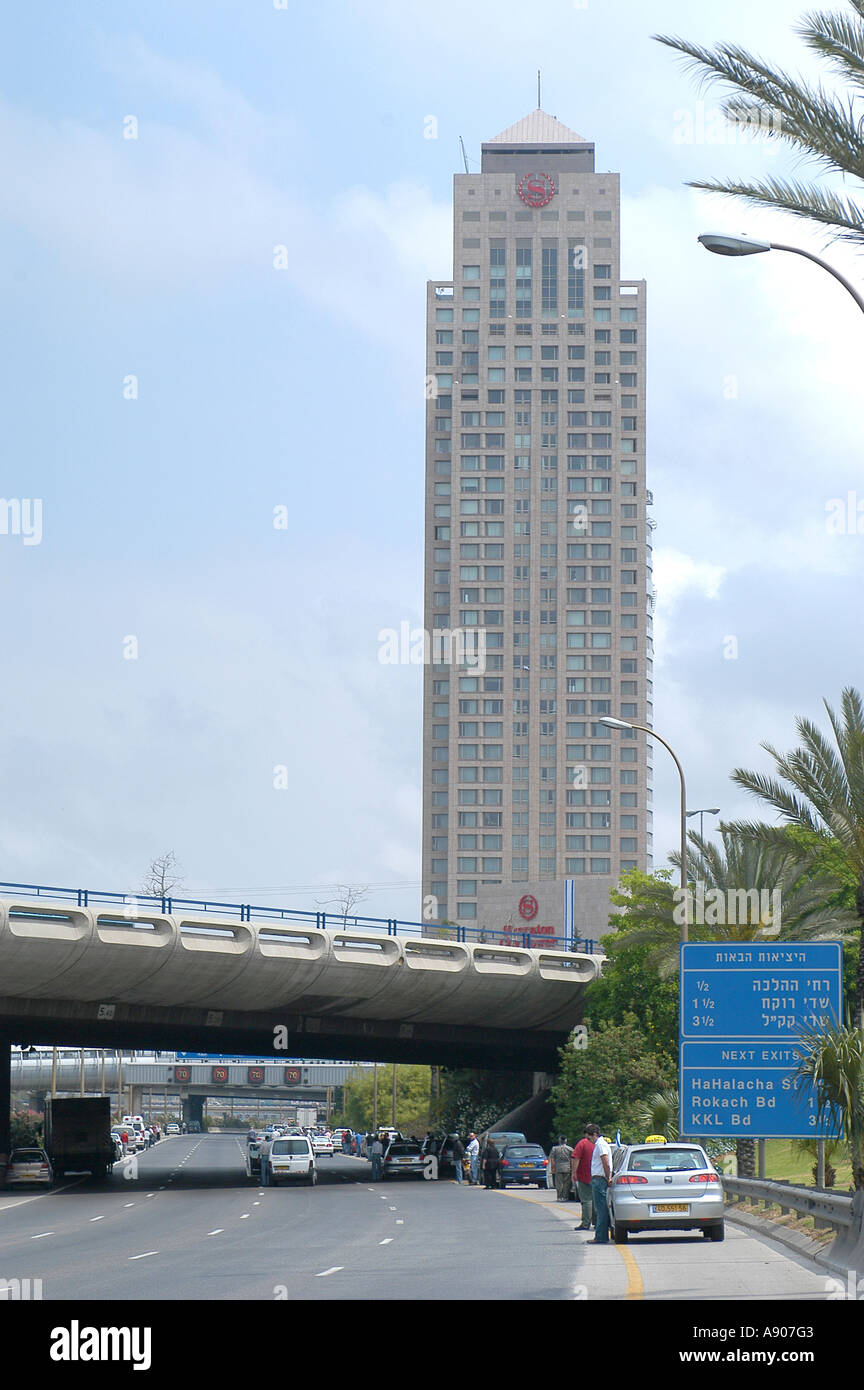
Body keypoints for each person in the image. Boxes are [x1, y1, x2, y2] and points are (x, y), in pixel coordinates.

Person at [587, 1124, 613, 1243]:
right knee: (601, 1207)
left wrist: (608, 1177)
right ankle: (602, 1234)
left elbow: (605, 1162)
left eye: (589, 1137)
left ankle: (601, 1236)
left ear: (595, 1134)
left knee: (600, 1208)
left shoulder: (600, 1144)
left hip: (599, 1179)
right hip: (599, 1178)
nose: (589, 1140)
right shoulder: (601, 1144)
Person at [571, 1126, 596, 1230]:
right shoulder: (599, 1144)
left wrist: (574, 1172)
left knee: (586, 1200)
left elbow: (576, 1158)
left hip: (584, 1176)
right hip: (597, 1176)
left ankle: (586, 1223)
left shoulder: (582, 1143)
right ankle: (597, 1222)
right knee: (596, 1200)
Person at [549, 1135, 574, 1202]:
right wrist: (573, 1168)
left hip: (558, 1168)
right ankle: (565, 1197)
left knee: (559, 1183)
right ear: (566, 1141)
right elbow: (572, 1160)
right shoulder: (570, 1149)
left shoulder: (554, 1149)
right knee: (567, 1183)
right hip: (568, 1168)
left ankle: (559, 1197)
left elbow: (552, 1159)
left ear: (559, 1141)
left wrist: (552, 1168)